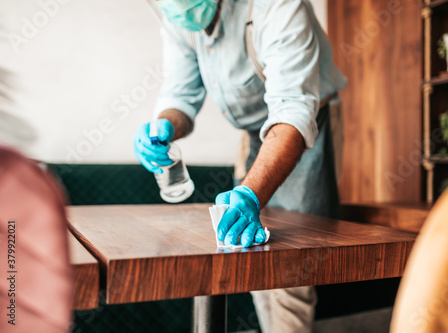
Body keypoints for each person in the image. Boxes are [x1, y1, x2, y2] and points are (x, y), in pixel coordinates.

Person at [133, 0, 347, 331]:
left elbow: (292, 112)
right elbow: (181, 96)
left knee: (289, 267)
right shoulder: (177, 16)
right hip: (254, 131)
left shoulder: (276, 6)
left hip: (303, 125)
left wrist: (250, 193)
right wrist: (164, 124)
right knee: (248, 251)